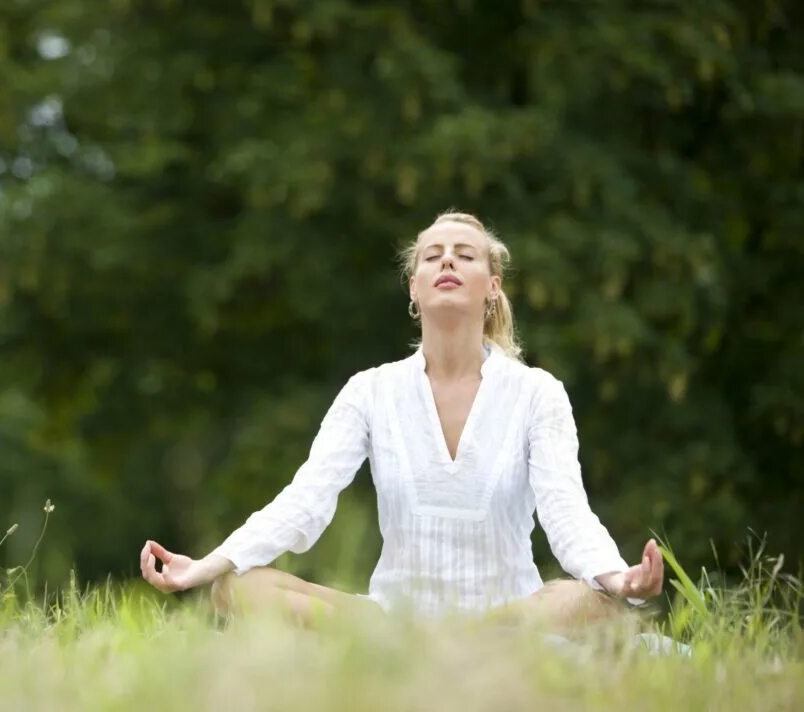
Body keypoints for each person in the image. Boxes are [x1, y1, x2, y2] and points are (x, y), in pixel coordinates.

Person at [139, 211, 664, 629]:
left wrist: (619, 578)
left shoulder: (537, 393)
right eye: (432, 256)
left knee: (597, 603)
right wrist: (208, 564)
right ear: (414, 289)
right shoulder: (370, 391)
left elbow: (567, 515)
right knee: (237, 587)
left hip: (507, 617)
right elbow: (305, 501)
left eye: (465, 255)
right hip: (393, 621)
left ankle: (465, 645)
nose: (447, 262)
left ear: (493, 286)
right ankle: (414, 648)